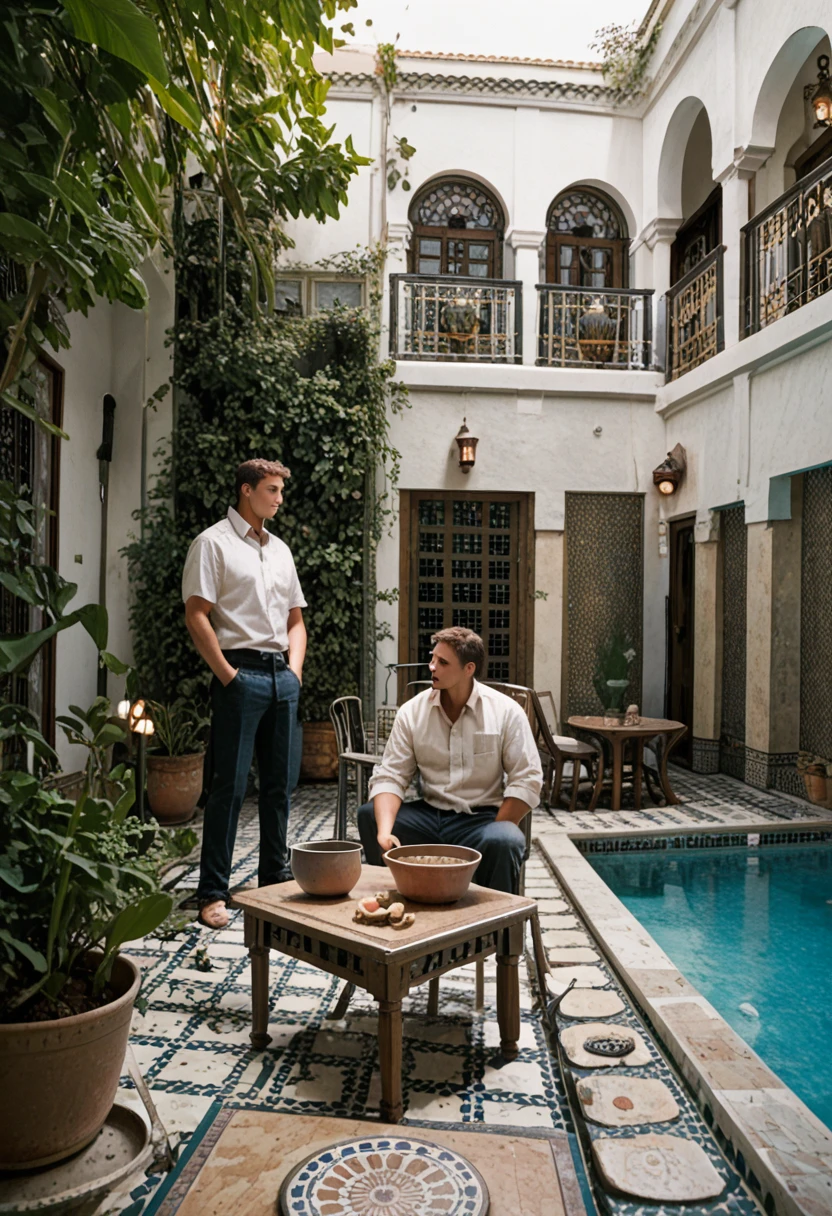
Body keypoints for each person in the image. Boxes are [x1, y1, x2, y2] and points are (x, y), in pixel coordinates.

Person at [182, 458, 307, 929]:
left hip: (281, 677)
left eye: (280, 490)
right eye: (271, 490)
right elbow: (197, 614)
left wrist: (293, 672)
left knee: (280, 787)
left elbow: (296, 620)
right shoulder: (212, 543)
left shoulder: (281, 551)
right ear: (246, 490)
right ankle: (212, 892)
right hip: (240, 675)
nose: (278, 498)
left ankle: (273, 879)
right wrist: (229, 676)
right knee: (229, 789)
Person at [358, 627, 542, 893]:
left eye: (442, 662)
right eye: (432, 658)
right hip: (428, 815)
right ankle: (393, 906)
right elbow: (392, 775)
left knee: (505, 839)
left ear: (469, 669)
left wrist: (497, 827)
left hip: (481, 818)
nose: (432, 667)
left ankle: (497, 930)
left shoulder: (505, 712)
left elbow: (527, 778)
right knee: (370, 816)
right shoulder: (412, 712)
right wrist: (385, 833)